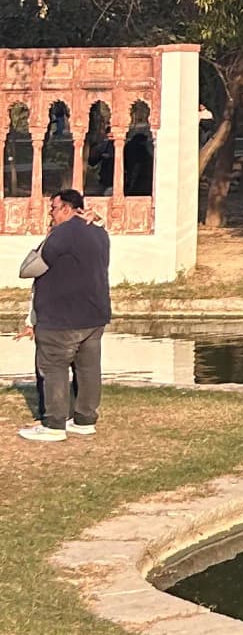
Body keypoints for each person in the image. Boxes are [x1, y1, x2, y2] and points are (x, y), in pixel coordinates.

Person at [17, 186, 112, 444]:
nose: (51, 214)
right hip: (94, 315)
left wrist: (47, 239)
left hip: (61, 317)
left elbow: (32, 267)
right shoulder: (100, 233)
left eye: (54, 209)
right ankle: (84, 420)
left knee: (54, 367)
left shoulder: (62, 233)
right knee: (88, 368)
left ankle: (55, 424)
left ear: (68, 209)